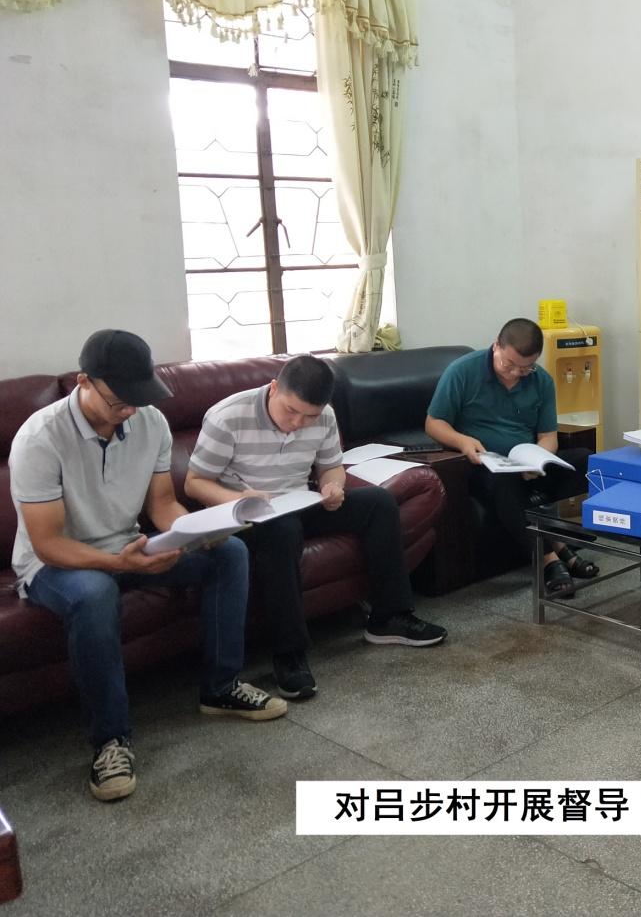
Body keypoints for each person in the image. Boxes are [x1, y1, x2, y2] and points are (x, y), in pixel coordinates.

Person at [10, 330, 285, 803]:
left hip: (128, 545)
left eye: (139, 399)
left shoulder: (151, 421)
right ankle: (110, 741)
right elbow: (49, 543)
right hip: (54, 565)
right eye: (119, 402)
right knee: (95, 592)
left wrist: (193, 532)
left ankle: (221, 687)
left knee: (228, 554)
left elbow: (161, 505)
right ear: (84, 382)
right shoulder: (40, 438)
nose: (131, 412)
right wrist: (116, 562)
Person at [186, 355, 447, 702]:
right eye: (291, 411)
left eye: (308, 416)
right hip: (246, 516)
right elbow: (195, 483)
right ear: (274, 388)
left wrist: (332, 486)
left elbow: (331, 467)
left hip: (298, 502)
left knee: (378, 503)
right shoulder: (228, 416)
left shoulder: (324, 415)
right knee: (283, 531)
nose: (297, 423)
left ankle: (389, 617)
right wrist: (238, 498)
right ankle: (289, 654)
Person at [425, 318, 598, 596]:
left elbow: (548, 436)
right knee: (503, 482)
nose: (516, 373)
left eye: (526, 367)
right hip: (482, 465)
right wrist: (462, 441)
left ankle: (561, 542)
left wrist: (539, 459)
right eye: (509, 364)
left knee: (585, 460)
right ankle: (550, 559)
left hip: (526, 464)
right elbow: (434, 423)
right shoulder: (463, 371)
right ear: (496, 345)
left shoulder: (541, 380)